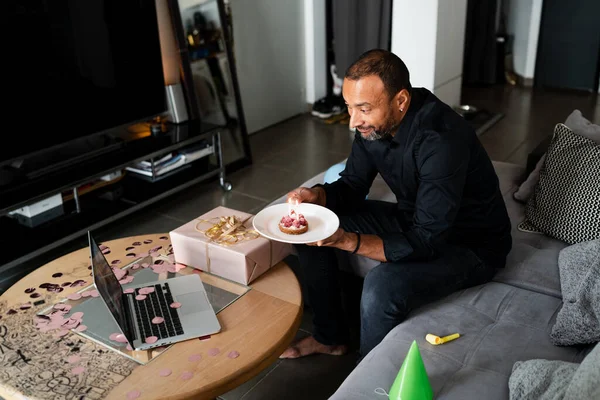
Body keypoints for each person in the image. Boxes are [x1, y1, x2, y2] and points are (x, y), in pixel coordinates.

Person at [280, 49, 512, 360]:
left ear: (400, 101)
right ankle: (329, 337)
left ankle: (368, 381)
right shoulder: (372, 124)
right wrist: (317, 196)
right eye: (349, 108)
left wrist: (349, 241)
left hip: (469, 245)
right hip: (414, 219)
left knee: (381, 285)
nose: (353, 122)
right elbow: (351, 186)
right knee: (314, 223)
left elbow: (428, 240)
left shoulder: (441, 140)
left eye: (363, 109)